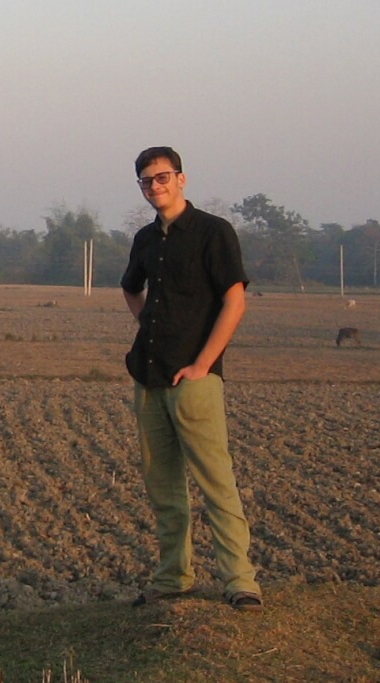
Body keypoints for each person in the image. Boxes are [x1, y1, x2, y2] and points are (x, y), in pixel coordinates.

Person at [121, 146, 264, 612]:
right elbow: (130, 287)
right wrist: (147, 327)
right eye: (146, 181)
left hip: (195, 379)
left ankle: (239, 581)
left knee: (215, 481)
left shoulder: (213, 233)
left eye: (162, 177)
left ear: (181, 179)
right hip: (148, 376)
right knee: (163, 488)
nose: (154, 186)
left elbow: (235, 301)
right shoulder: (145, 239)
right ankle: (172, 577)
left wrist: (203, 363)